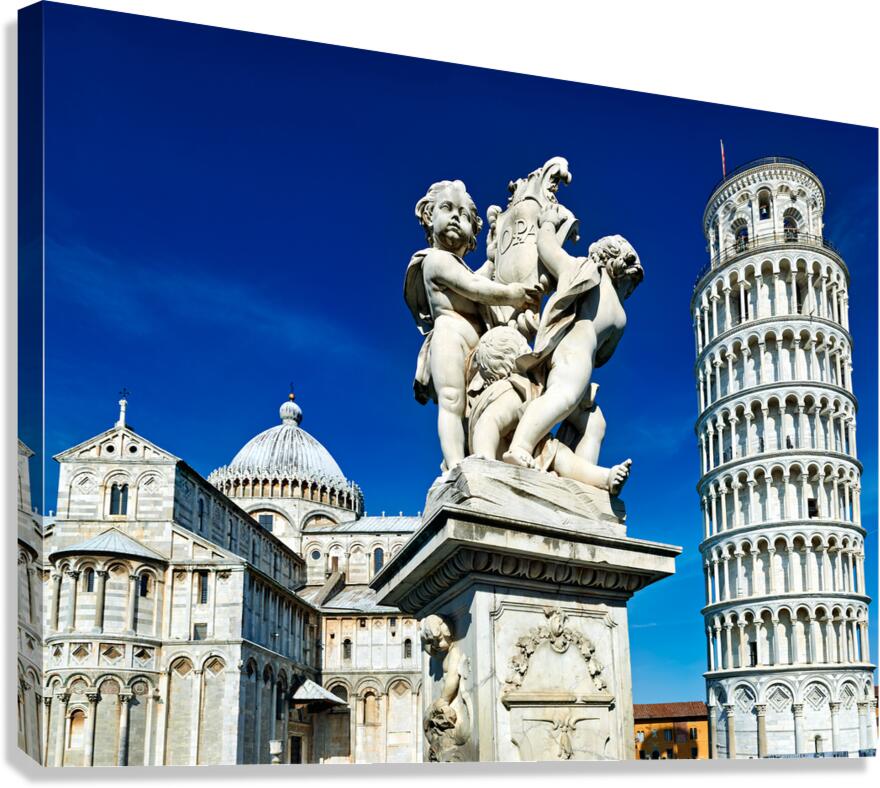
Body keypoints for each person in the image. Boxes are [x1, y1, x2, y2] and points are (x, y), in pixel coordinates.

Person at [404, 180, 541, 472]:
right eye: (447, 208)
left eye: (464, 215)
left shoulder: (459, 265)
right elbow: (474, 287)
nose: (456, 216)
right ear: (429, 217)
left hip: (478, 348)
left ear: (472, 234)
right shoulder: (434, 261)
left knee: (472, 411)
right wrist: (513, 294)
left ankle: (477, 452)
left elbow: (478, 276)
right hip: (449, 338)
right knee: (452, 402)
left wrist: (493, 258)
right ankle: (455, 466)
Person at [502, 205, 644, 471]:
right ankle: (519, 447)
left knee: (594, 423)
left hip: (583, 364)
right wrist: (548, 222)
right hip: (573, 354)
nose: (630, 288)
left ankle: (580, 479)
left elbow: (603, 354)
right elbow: (549, 250)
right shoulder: (587, 272)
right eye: (630, 280)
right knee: (563, 397)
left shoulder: (619, 311)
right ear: (616, 261)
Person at [468, 325, 631, 494]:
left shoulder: (527, 388)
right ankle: (603, 478)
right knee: (560, 456)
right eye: (525, 347)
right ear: (515, 354)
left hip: (530, 456)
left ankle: (604, 478)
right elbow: (488, 423)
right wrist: (485, 461)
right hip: (504, 459)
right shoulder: (510, 392)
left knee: (560, 454)